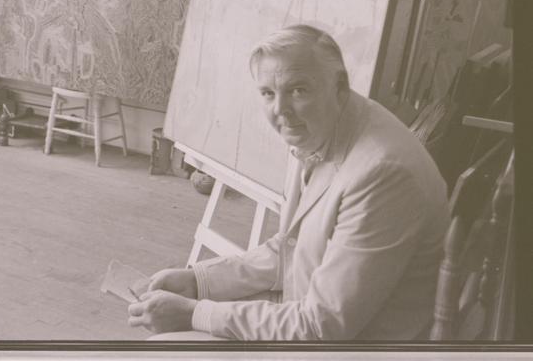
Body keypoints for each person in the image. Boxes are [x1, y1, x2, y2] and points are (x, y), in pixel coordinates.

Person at [128, 24, 449, 340]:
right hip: (319, 313)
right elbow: (291, 250)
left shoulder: (383, 173)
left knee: (162, 346)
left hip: (359, 344)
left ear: (340, 86)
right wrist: (197, 281)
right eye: (268, 93)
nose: (280, 110)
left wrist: (194, 313)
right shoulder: (321, 127)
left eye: (299, 90)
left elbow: (324, 327)